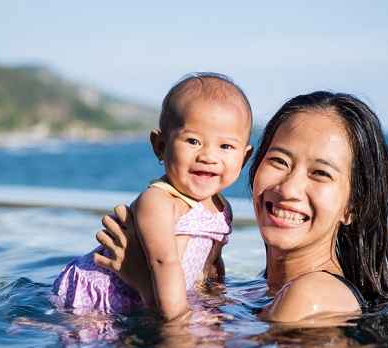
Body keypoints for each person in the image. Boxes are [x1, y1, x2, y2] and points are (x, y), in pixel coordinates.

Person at [95, 91, 388, 321]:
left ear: (353, 207)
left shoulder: (309, 296)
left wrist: (144, 284)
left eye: (320, 173)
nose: (289, 188)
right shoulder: (265, 290)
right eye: (279, 161)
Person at [51, 73, 253, 320]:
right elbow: (164, 263)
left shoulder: (222, 208)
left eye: (225, 146)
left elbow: (211, 262)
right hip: (98, 298)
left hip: (150, 297)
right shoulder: (158, 201)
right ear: (160, 145)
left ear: (244, 158)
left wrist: (216, 297)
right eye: (193, 141)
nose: (208, 156)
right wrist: (179, 323)